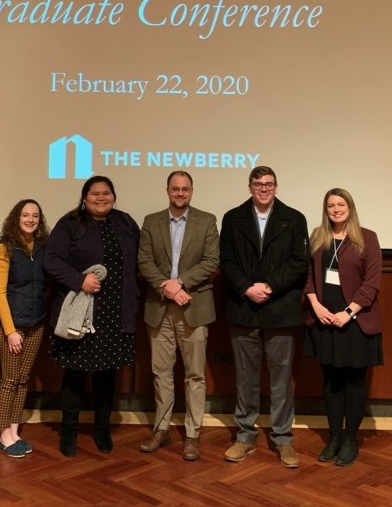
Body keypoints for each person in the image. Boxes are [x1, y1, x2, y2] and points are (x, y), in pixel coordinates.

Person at [44, 175, 140, 457]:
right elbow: (51, 260)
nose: (101, 198)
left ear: (114, 196)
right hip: (81, 312)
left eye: (106, 193)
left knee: (106, 377)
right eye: (95, 194)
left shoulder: (125, 222)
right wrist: (78, 280)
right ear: (84, 198)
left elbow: (141, 258)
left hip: (115, 312)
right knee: (74, 374)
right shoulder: (70, 223)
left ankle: (102, 429)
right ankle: (69, 432)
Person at [220, 166, 308, 467]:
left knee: (281, 378)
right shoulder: (233, 218)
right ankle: (245, 436)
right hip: (244, 308)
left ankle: (283, 439)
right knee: (246, 377)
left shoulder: (294, 219)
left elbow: (299, 263)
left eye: (269, 184)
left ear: (276, 187)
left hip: (280, 308)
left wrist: (270, 286)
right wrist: (247, 287)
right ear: (249, 187)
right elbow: (227, 261)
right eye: (258, 184)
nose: (264, 189)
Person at [138, 171, 219, 462]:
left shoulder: (207, 220)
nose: (180, 193)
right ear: (168, 191)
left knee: (195, 375)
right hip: (159, 308)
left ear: (192, 191)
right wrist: (168, 289)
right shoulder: (151, 221)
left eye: (185, 189)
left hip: (194, 307)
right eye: (175, 189)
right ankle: (161, 430)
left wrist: (180, 283)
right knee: (162, 373)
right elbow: (144, 261)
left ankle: (192, 435)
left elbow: (211, 261)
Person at [304, 188, 383, 466]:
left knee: (354, 382)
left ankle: (350, 439)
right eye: (330, 206)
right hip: (324, 320)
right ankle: (334, 437)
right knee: (331, 382)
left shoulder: (367, 238)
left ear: (350, 207)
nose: (336, 209)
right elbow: (310, 276)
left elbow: (371, 283)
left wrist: (347, 313)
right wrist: (317, 306)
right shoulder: (318, 236)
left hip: (355, 321)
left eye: (340, 204)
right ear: (325, 210)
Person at [0, 199, 49, 458]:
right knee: (9, 381)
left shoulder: (42, 247)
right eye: (25, 215)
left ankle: (15, 431)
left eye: (35, 215)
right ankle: (3, 434)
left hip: (36, 324)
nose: (30, 219)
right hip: (11, 328)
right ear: (16, 218)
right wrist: (10, 330)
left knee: (23, 379)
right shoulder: (4, 249)